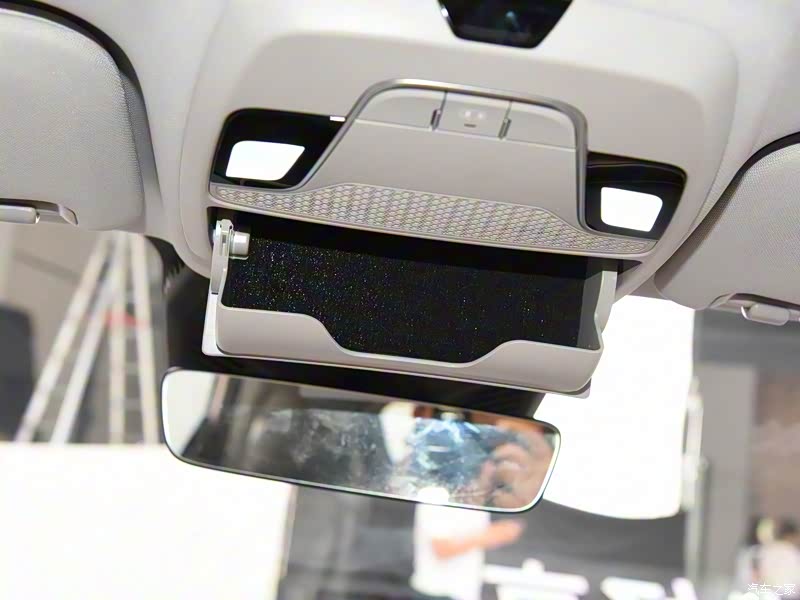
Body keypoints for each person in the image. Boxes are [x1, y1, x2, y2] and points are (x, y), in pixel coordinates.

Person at [410, 501, 525, 600]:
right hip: (436, 592)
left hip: (465, 592)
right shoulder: (436, 495)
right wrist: (492, 534)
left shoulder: (478, 496)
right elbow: (442, 548)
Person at [759, 518, 800, 596]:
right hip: (787, 594)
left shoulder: (767, 549)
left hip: (767, 593)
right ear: (791, 535)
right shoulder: (792, 551)